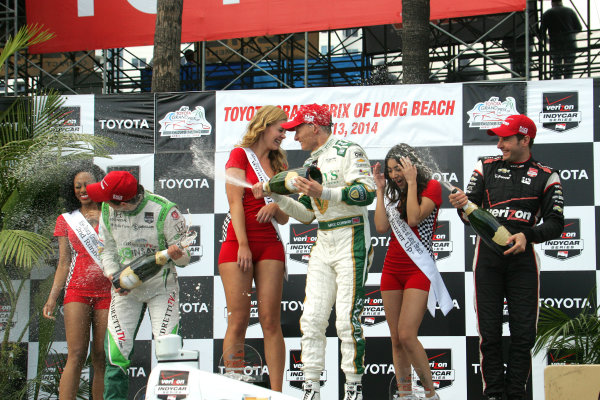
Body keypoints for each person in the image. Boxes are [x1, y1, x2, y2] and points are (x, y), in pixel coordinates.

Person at [252, 104, 375, 400]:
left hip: (352, 236)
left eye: (298, 129)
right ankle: (311, 388)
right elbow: (307, 214)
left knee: (346, 319)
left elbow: (367, 192)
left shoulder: (349, 150)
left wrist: (326, 193)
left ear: (315, 127)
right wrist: (276, 195)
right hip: (324, 238)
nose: (294, 136)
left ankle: (353, 389)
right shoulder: (312, 161)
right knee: (311, 319)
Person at [449, 114, 564, 400]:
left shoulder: (548, 174)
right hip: (488, 260)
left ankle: (515, 395)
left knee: (523, 336)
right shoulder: (485, 167)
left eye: (506, 138)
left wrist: (529, 236)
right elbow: (470, 216)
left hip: (522, 263)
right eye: (498, 138)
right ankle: (493, 395)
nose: (499, 144)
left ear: (525, 140)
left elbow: (556, 223)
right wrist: (463, 207)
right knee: (489, 336)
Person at [86, 170, 191, 400]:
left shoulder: (165, 210)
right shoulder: (107, 208)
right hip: (126, 290)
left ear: (122, 202)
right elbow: (107, 249)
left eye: (107, 198)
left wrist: (177, 254)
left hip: (161, 289)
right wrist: (115, 277)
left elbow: (185, 260)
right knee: (116, 354)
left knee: (169, 351)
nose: (102, 202)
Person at [373, 144, 452, 400]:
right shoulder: (392, 193)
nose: (395, 174)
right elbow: (382, 227)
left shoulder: (432, 187)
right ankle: (405, 394)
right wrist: (380, 189)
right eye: (391, 170)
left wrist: (411, 183)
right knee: (396, 338)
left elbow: (414, 218)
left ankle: (430, 394)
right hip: (391, 270)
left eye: (399, 168)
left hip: (418, 269)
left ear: (412, 164)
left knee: (407, 334)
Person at [218, 105, 289, 391]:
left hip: (270, 244)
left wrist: (275, 203)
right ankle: (236, 388)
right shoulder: (239, 154)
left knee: (271, 321)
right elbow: (234, 202)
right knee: (238, 320)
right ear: (265, 125)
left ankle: (277, 393)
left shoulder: (281, 166)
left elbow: (284, 217)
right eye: (281, 129)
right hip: (239, 242)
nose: (284, 136)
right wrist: (244, 245)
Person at [43, 162, 111, 400]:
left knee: (102, 355)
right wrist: (52, 298)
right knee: (77, 354)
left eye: (88, 185)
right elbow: (63, 262)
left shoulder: (112, 215)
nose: (83, 190)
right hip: (77, 291)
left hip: (108, 291)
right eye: (77, 187)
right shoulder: (66, 219)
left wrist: (103, 219)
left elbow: (121, 250)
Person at [541, 0, 582, 79]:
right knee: (569, 66)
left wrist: (547, 40)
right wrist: (571, 34)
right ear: (561, 2)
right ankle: (568, 80)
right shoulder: (570, 11)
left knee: (557, 66)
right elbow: (579, 28)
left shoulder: (547, 13)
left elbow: (541, 32)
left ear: (552, 3)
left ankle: (557, 82)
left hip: (555, 43)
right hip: (570, 42)